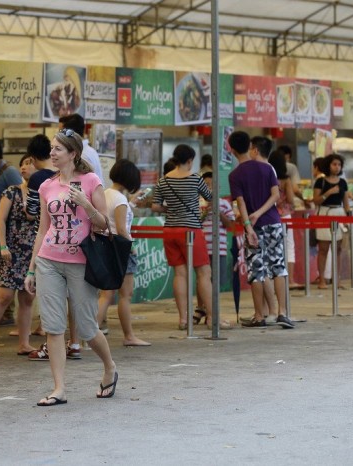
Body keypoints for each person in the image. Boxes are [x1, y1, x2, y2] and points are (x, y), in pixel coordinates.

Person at [24, 128, 117, 406]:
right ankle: (59, 388)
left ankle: (110, 367)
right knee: (53, 327)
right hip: (48, 260)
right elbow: (42, 229)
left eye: (58, 149)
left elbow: (105, 224)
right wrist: (31, 269)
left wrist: (86, 205)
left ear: (73, 154)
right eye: (51, 148)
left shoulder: (91, 181)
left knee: (88, 329)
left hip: (80, 262)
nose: (52, 153)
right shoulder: (46, 186)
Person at [0, 145, 47, 358]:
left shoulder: (42, 193)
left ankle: (24, 343)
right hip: (11, 250)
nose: (25, 167)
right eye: (23, 164)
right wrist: (3, 246)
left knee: (27, 298)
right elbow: (0, 220)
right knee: (4, 296)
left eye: (29, 164)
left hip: (31, 250)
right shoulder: (11, 192)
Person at [152, 144, 228, 331]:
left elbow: (155, 207)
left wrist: (171, 209)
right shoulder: (195, 179)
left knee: (180, 274)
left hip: (170, 230)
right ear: (189, 160)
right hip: (191, 230)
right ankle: (212, 317)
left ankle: (183, 319)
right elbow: (210, 198)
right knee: (203, 273)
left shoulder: (163, 181)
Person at [228, 133, 294, 329]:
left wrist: (249, 223)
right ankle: (282, 312)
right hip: (273, 222)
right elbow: (275, 195)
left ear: (231, 150)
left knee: (256, 270)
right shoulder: (267, 168)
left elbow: (240, 202)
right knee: (278, 266)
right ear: (249, 146)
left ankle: (259, 315)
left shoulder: (235, 175)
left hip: (253, 227)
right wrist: (260, 212)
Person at [96, 159, 151, 346]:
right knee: (125, 295)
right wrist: (131, 246)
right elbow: (121, 228)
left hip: (106, 248)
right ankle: (129, 336)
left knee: (105, 295)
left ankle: (89, 335)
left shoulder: (106, 194)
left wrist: (131, 203)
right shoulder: (120, 199)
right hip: (121, 250)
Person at [196, 171, 235, 318]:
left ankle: (211, 310)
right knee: (202, 279)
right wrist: (206, 211)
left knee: (217, 281)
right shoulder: (198, 203)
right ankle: (202, 308)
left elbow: (230, 225)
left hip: (219, 249)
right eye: (206, 185)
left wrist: (218, 212)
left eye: (212, 185)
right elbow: (195, 222)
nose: (210, 188)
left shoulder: (224, 204)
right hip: (202, 248)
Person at [313, 153, 351, 290]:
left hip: (339, 213)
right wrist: (328, 192)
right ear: (328, 165)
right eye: (334, 164)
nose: (337, 167)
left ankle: (337, 279)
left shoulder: (342, 182)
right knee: (323, 248)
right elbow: (316, 200)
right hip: (324, 212)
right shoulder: (320, 181)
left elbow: (346, 203)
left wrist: (347, 218)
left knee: (338, 249)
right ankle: (322, 279)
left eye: (339, 164)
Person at [268, 149, 300, 288]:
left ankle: (273, 280)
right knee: (289, 247)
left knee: (272, 248)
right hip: (285, 215)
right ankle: (290, 280)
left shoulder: (268, 177)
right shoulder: (286, 179)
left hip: (270, 215)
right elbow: (291, 199)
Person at [59, 113, 104, 186]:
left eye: (61, 132)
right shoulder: (89, 151)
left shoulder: (82, 155)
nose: (59, 136)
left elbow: (78, 186)